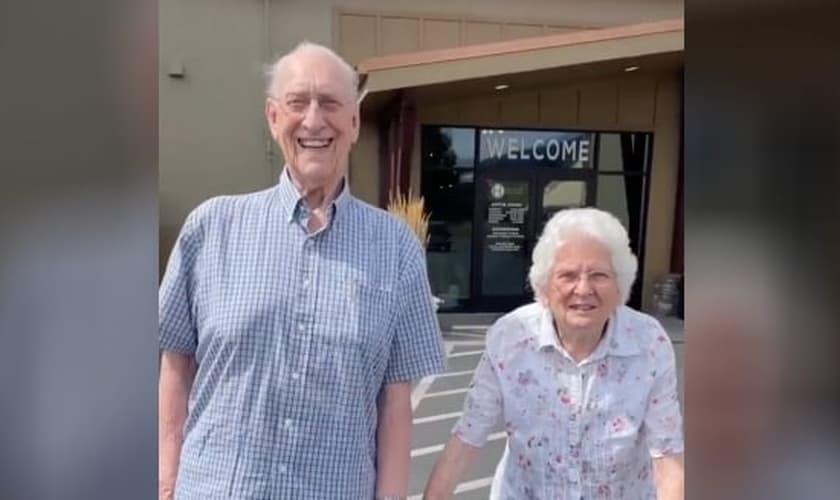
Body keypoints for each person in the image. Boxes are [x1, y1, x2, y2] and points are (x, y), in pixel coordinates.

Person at [158, 41, 446, 500]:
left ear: (353, 123)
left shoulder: (396, 248)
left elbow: (396, 405)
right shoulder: (211, 228)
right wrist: (166, 482)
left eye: (331, 103)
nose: (314, 120)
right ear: (274, 118)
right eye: (298, 103)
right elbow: (175, 365)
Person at [424, 207, 684, 500]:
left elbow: (667, 459)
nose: (583, 289)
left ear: (620, 285)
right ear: (544, 287)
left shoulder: (649, 343)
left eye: (599, 275)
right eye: (568, 275)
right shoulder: (511, 337)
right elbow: (467, 438)